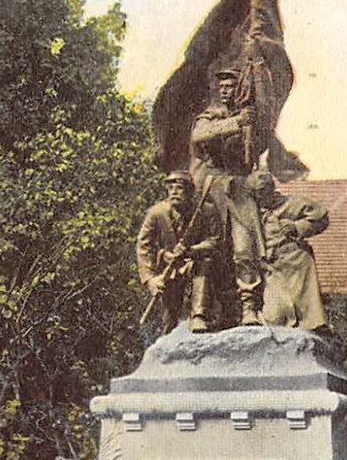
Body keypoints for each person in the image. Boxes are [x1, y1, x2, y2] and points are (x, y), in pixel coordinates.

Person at [189, 67, 266, 326]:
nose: (224, 91)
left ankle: (249, 308)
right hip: (211, 190)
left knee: (245, 249)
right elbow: (199, 134)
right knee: (207, 250)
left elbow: (258, 149)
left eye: (231, 86)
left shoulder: (251, 117)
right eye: (221, 86)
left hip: (239, 188)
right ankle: (199, 312)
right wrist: (236, 123)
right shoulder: (212, 115)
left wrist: (250, 125)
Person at [135, 172, 217, 334]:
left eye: (179, 189)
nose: (174, 192)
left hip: (194, 264)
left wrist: (191, 250)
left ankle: (198, 316)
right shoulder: (156, 213)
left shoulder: (206, 212)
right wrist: (150, 279)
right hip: (167, 271)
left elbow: (214, 241)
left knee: (205, 264)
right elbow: (144, 246)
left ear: (190, 193)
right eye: (171, 188)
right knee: (168, 321)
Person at [250, 171, 330, 332]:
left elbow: (322, 219)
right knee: (274, 317)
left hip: (296, 262)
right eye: (255, 193)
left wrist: (297, 227)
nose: (259, 197)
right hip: (271, 268)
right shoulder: (252, 212)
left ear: (271, 189)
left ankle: (313, 325)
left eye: (262, 191)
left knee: (307, 314)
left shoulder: (292, 203)